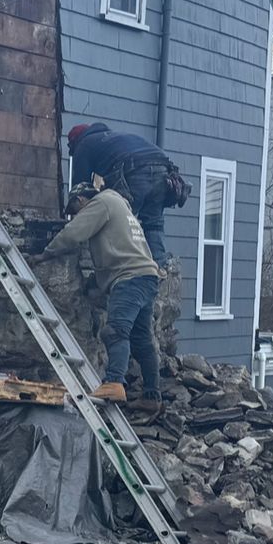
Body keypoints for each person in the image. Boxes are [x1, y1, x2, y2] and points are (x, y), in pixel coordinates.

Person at [41, 181, 162, 408]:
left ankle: (114, 383)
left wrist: (45, 254)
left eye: (74, 211)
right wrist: (93, 282)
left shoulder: (101, 203)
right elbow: (116, 249)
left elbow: (73, 234)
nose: (75, 216)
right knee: (142, 340)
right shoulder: (120, 206)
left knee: (115, 331)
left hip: (128, 279)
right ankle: (151, 396)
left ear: (81, 200)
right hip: (147, 276)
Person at [66, 121, 176, 266]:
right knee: (153, 223)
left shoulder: (84, 144)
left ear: (74, 142)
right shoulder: (112, 139)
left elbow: (80, 190)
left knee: (118, 219)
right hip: (163, 170)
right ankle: (160, 266)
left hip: (135, 170)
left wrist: (78, 221)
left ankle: (120, 268)